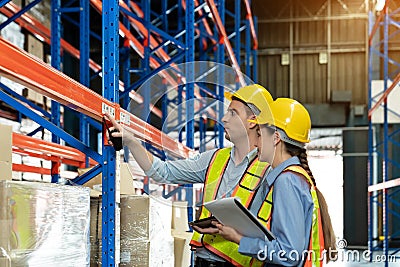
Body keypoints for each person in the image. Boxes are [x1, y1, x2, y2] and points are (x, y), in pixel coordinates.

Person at [105, 84, 274, 266]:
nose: (224, 119)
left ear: (252, 121)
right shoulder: (215, 158)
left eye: (233, 113)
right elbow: (162, 172)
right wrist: (130, 140)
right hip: (202, 260)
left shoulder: (270, 169)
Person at [214, 98, 337, 266]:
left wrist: (239, 239)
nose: (255, 142)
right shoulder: (294, 177)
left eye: (259, 134)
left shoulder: (287, 181)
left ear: (275, 138)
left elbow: (289, 254)